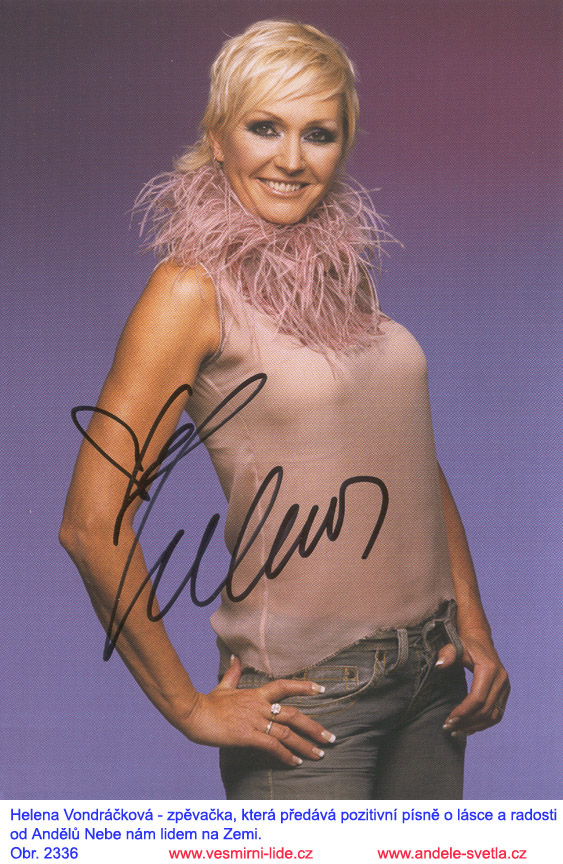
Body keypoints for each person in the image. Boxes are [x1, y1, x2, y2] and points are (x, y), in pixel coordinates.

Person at [60, 19, 509, 800]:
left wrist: (470, 621)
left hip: (430, 681)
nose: (292, 159)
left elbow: (404, 460)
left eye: (318, 133)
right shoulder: (188, 292)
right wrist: (188, 707)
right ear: (217, 136)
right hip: (310, 701)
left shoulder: (336, 272)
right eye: (264, 127)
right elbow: (90, 523)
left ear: (342, 145)